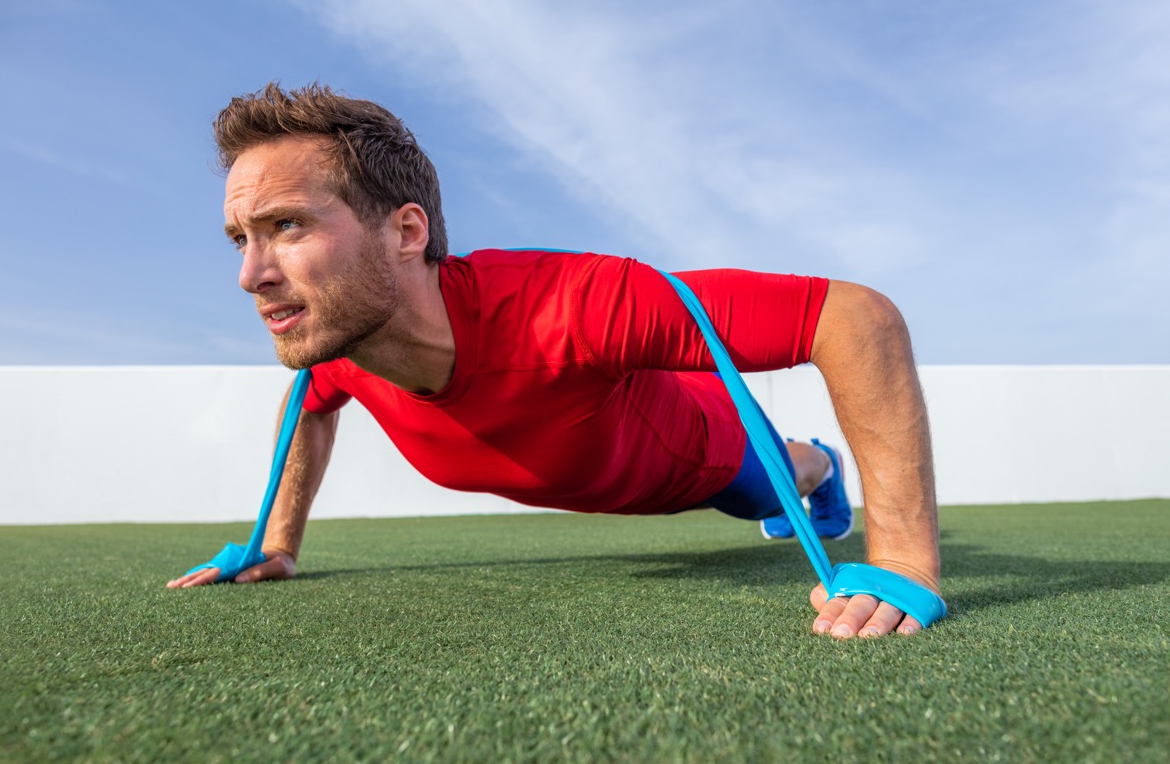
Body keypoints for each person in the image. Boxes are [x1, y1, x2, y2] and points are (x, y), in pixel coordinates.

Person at [167, 83, 941, 639]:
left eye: (289, 226)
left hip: (701, 450)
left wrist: (904, 558)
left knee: (772, 484)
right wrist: (277, 543)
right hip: (607, 466)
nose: (251, 274)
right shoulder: (344, 346)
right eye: (243, 239)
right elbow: (311, 402)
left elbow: (854, 317)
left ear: (405, 233)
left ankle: (818, 466)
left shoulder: (567, 304)